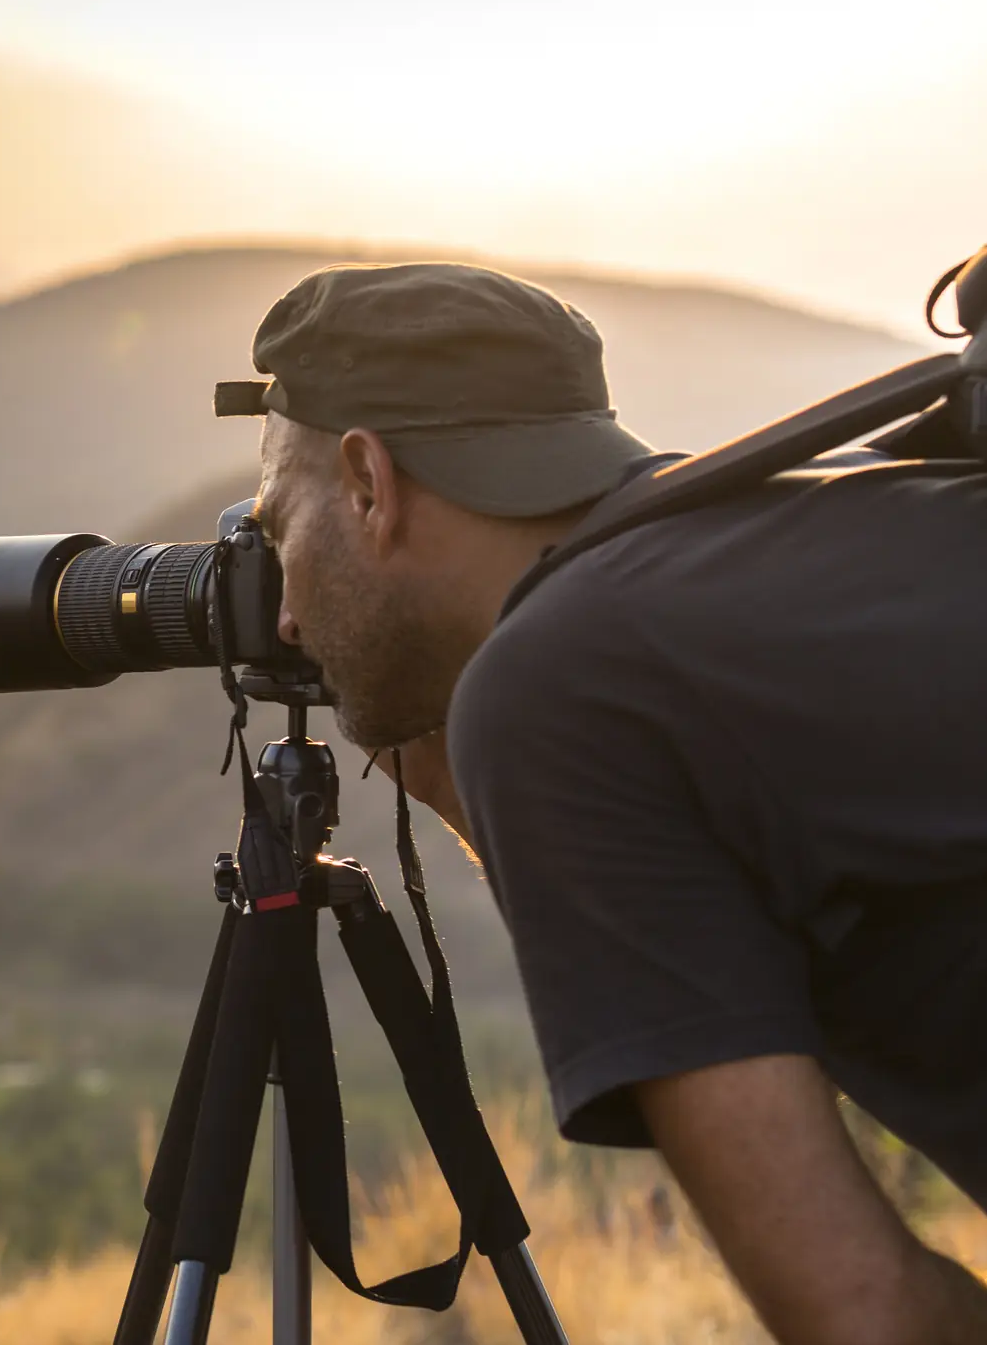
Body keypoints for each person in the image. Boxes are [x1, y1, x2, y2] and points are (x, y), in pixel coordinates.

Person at [247, 261, 987, 1344]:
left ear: (367, 481)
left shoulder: (565, 683)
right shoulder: (831, 515)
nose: (284, 622)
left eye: (277, 530)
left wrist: (509, 728)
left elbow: (873, 1320)